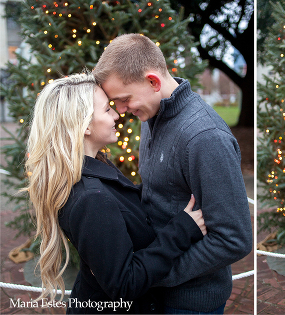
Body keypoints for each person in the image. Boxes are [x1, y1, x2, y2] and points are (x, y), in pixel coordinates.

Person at [92, 34, 253, 314]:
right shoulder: (150, 114)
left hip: (191, 302)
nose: (120, 111)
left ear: (153, 82)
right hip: (155, 292)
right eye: (114, 102)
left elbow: (234, 239)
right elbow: (159, 194)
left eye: (124, 99)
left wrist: (154, 275)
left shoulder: (205, 137)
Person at [26, 73, 207, 313]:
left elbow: (125, 210)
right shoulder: (91, 199)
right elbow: (124, 284)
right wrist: (183, 230)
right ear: (85, 125)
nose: (116, 115)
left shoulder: (94, 167)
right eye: (106, 109)